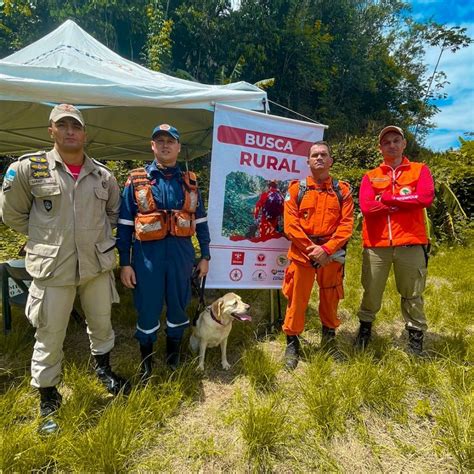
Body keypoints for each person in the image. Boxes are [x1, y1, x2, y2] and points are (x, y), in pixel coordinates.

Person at [1, 104, 130, 428]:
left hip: (95, 266)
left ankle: (104, 370)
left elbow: (114, 214)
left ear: (85, 133)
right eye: (63, 125)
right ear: (51, 130)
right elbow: (12, 214)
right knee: (50, 333)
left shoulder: (103, 175)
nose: (70, 130)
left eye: (76, 125)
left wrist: (95, 237)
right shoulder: (30, 169)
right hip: (53, 268)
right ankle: (48, 396)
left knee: (101, 323)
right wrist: (43, 237)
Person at [117, 123, 210, 377]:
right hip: (148, 257)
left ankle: (172, 359)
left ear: (179, 147)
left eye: (171, 141)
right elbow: (125, 224)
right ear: (152, 146)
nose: (165, 145)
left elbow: (200, 220)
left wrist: (206, 255)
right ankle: (146, 365)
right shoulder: (136, 181)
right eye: (160, 141)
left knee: (179, 306)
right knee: (148, 307)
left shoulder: (189, 182)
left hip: (181, 256)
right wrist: (125, 262)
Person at [355, 126, 434, 355]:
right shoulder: (370, 176)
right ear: (380, 148)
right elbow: (368, 208)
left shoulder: (420, 170)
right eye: (386, 142)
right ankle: (365, 330)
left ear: (404, 144)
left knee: (412, 293)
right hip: (377, 245)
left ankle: (415, 336)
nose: (391, 144)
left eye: (396, 140)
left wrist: (388, 197)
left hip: (410, 243)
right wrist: (407, 200)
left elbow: (425, 198)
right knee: (371, 291)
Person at [282, 141, 354, 369]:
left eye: (324, 154)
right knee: (297, 299)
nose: (319, 158)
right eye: (315, 155)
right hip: (303, 255)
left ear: (331, 160)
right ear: (308, 161)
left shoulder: (342, 191)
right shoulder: (296, 190)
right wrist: (311, 248)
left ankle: (329, 338)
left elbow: (346, 225)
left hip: (331, 256)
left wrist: (326, 249)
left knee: (331, 298)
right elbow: (290, 225)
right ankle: (292, 342)